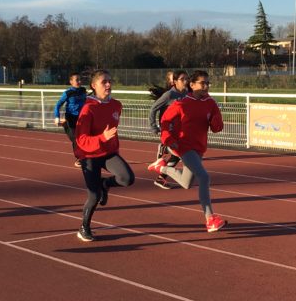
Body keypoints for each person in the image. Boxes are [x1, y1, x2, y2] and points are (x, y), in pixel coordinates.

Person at [151, 70, 227, 233]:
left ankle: (161, 168)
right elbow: (165, 120)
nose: (206, 86)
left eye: (208, 83)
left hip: (199, 147)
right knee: (204, 177)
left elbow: (217, 128)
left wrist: (216, 121)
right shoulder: (182, 103)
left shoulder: (211, 103)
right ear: (192, 85)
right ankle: (210, 219)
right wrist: (167, 138)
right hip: (182, 145)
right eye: (202, 83)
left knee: (186, 183)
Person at [74, 69, 134, 242]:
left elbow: (112, 133)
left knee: (127, 178)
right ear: (93, 86)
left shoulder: (116, 105)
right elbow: (81, 140)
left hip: (108, 153)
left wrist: (113, 146)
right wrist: (102, 138)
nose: (108, 85)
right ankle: (84, 227)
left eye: (110, 81)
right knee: (94, 196)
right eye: (104, 82)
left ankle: (105, 183)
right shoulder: (87, 109)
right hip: (89, 155)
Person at [147, 69, 189, 189]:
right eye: (182, 79)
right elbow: (153, 109)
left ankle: (161, 178)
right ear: (175, 82)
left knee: (176, 156)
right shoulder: (169, 95)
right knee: (179, 153)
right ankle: (163, 150)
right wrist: (153, 126)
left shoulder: (186, 94)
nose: (185, 81)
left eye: (187, 79)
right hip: (168, 129)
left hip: (180, 130)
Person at [53, 72, 88, 166]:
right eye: (77, 80)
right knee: (75, 139)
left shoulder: (83, 90)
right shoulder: (67, 93)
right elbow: (58, 105)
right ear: (71, 82)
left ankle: (87, 156)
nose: (79, 81)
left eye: (80, 79)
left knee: (85, 136)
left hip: (82, 117)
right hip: (71, 117)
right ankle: (79, 159)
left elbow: (86, 101)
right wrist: (57, 116)